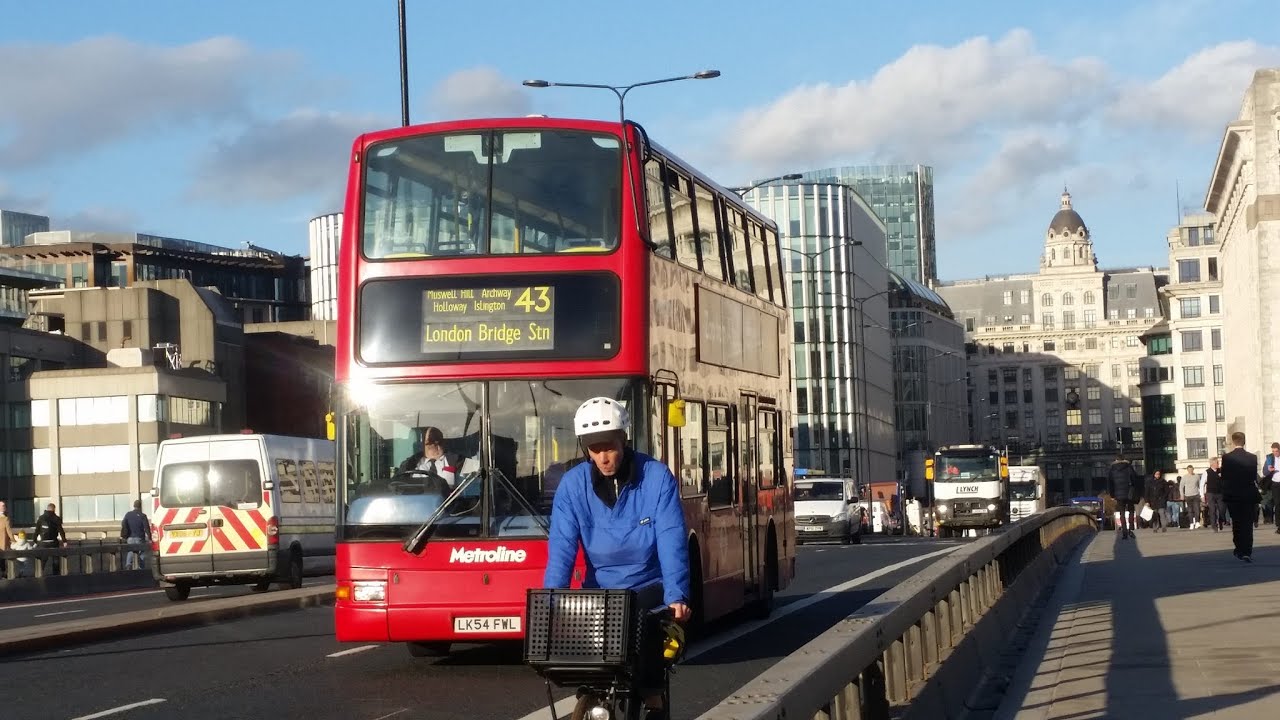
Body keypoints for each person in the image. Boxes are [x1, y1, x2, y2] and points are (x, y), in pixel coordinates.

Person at [543, 397, 690, 720]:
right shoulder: (572, 486)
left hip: (647, 583)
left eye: (609, 446)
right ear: (586, 450)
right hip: (601, 587)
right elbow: (563, 546)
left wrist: (676, 594)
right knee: (587, 651)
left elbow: (671, 537)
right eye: (595, 449)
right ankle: (592, 697)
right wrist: (552, 598)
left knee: (647, 630)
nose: (604, 456)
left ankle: (654, 701)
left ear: (624, 439)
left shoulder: (656, 478)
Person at [1221, 432, 1261, 562]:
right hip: (1248, 494)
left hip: (1233, 494)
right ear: (1244, 441)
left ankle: (1239, 549)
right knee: (1247, 524)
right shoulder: (1252, 458)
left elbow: (1225, 478)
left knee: (1237, 523)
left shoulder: (1227, 458)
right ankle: (1247, 551)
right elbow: (1253, 476)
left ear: (1233, 442)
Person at [398, 426, 463, 488]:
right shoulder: (409, 465)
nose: (436, 445)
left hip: (450, 499)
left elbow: (467, 482)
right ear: (423, 443)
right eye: (431, 441)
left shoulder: (457, 460)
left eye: (439, 441)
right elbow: (396, 486)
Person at [1108, 454, 1142, 539]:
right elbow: (1135, 479)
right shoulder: (1128, 467)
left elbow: (1110, 483)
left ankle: (1124, 532)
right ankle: (1131, 529)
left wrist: (1112, 495)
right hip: (1129, 492)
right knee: (1131, 510)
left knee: (1122, 513)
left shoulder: (1112, 469)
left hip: (1118, 494)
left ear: (1116, 459)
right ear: (1124, 459)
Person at [33, 503, 68, 576]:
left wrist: (35, 540)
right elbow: (61, 530)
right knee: (56, 559)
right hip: (53, 542)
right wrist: (64, 541)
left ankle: (40, 573)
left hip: (43, 542)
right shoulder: (56, 518)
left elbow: (37, 530)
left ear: (47, 509)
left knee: (43, 559)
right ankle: (56, 575)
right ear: (54, 509)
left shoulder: (41, 518)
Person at [120, 499, 152, 570]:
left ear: (134, 506)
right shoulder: (143, 516)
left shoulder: (128, 514)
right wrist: (149, 538)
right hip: (139, 537)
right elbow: (146, 528)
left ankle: (128, 564)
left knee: (130, 551)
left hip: (130, 538)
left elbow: (123, 524)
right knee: (142, 552)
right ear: (140, 506)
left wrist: (124, 535)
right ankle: (141, 567)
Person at [1203, 457, 1227, 531]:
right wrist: (1202, 495)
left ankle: (1220, 521)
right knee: (1212, 510)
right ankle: (1214, 525)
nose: (1218, 464)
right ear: (1212, 464)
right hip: (1210, 493)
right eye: (1217, 463)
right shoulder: (1207, 472)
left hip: (1220, 493)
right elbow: (1202, 484)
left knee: (1222, 509)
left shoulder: (1221, 471)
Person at [1144, 468, 1170, 533]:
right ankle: (1155, 527)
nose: (1157, 475)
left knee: (1162, 513)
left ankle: (1164, 527)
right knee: (1154, 515)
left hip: (1161, 500)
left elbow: (1167, 491)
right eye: (1156, 474)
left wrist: (1164, 498)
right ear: (1154, 474)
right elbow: (1147, 492)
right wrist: (1147, 501)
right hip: (1152, 501)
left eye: (1158, 474)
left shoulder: (1163, 482)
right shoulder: (1149, 482)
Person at [1264, 442, 1280, 534]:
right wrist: (1269, 469)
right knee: (1277, 504)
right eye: (1273, 451)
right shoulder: (1270, 458)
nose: (1275, 453)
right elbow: (1265, 472)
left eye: (1276, 451)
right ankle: (1279, 526)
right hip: (1275, 484)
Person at [1180, 465, 1202, 529]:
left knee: (1197, 509)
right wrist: (1182, 495)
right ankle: (1191, 523)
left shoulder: (1197, 476)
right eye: (1189, 470)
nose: (1190, 471)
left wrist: (1201, 494)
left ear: (1193, 469)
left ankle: (1197, 522)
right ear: (1187, 470)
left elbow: (1200, 485)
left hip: (1196, 495)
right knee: (1190, 510)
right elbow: (1181, 487)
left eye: (1191, 469)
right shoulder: (1184, 477)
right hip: (1188, 495)